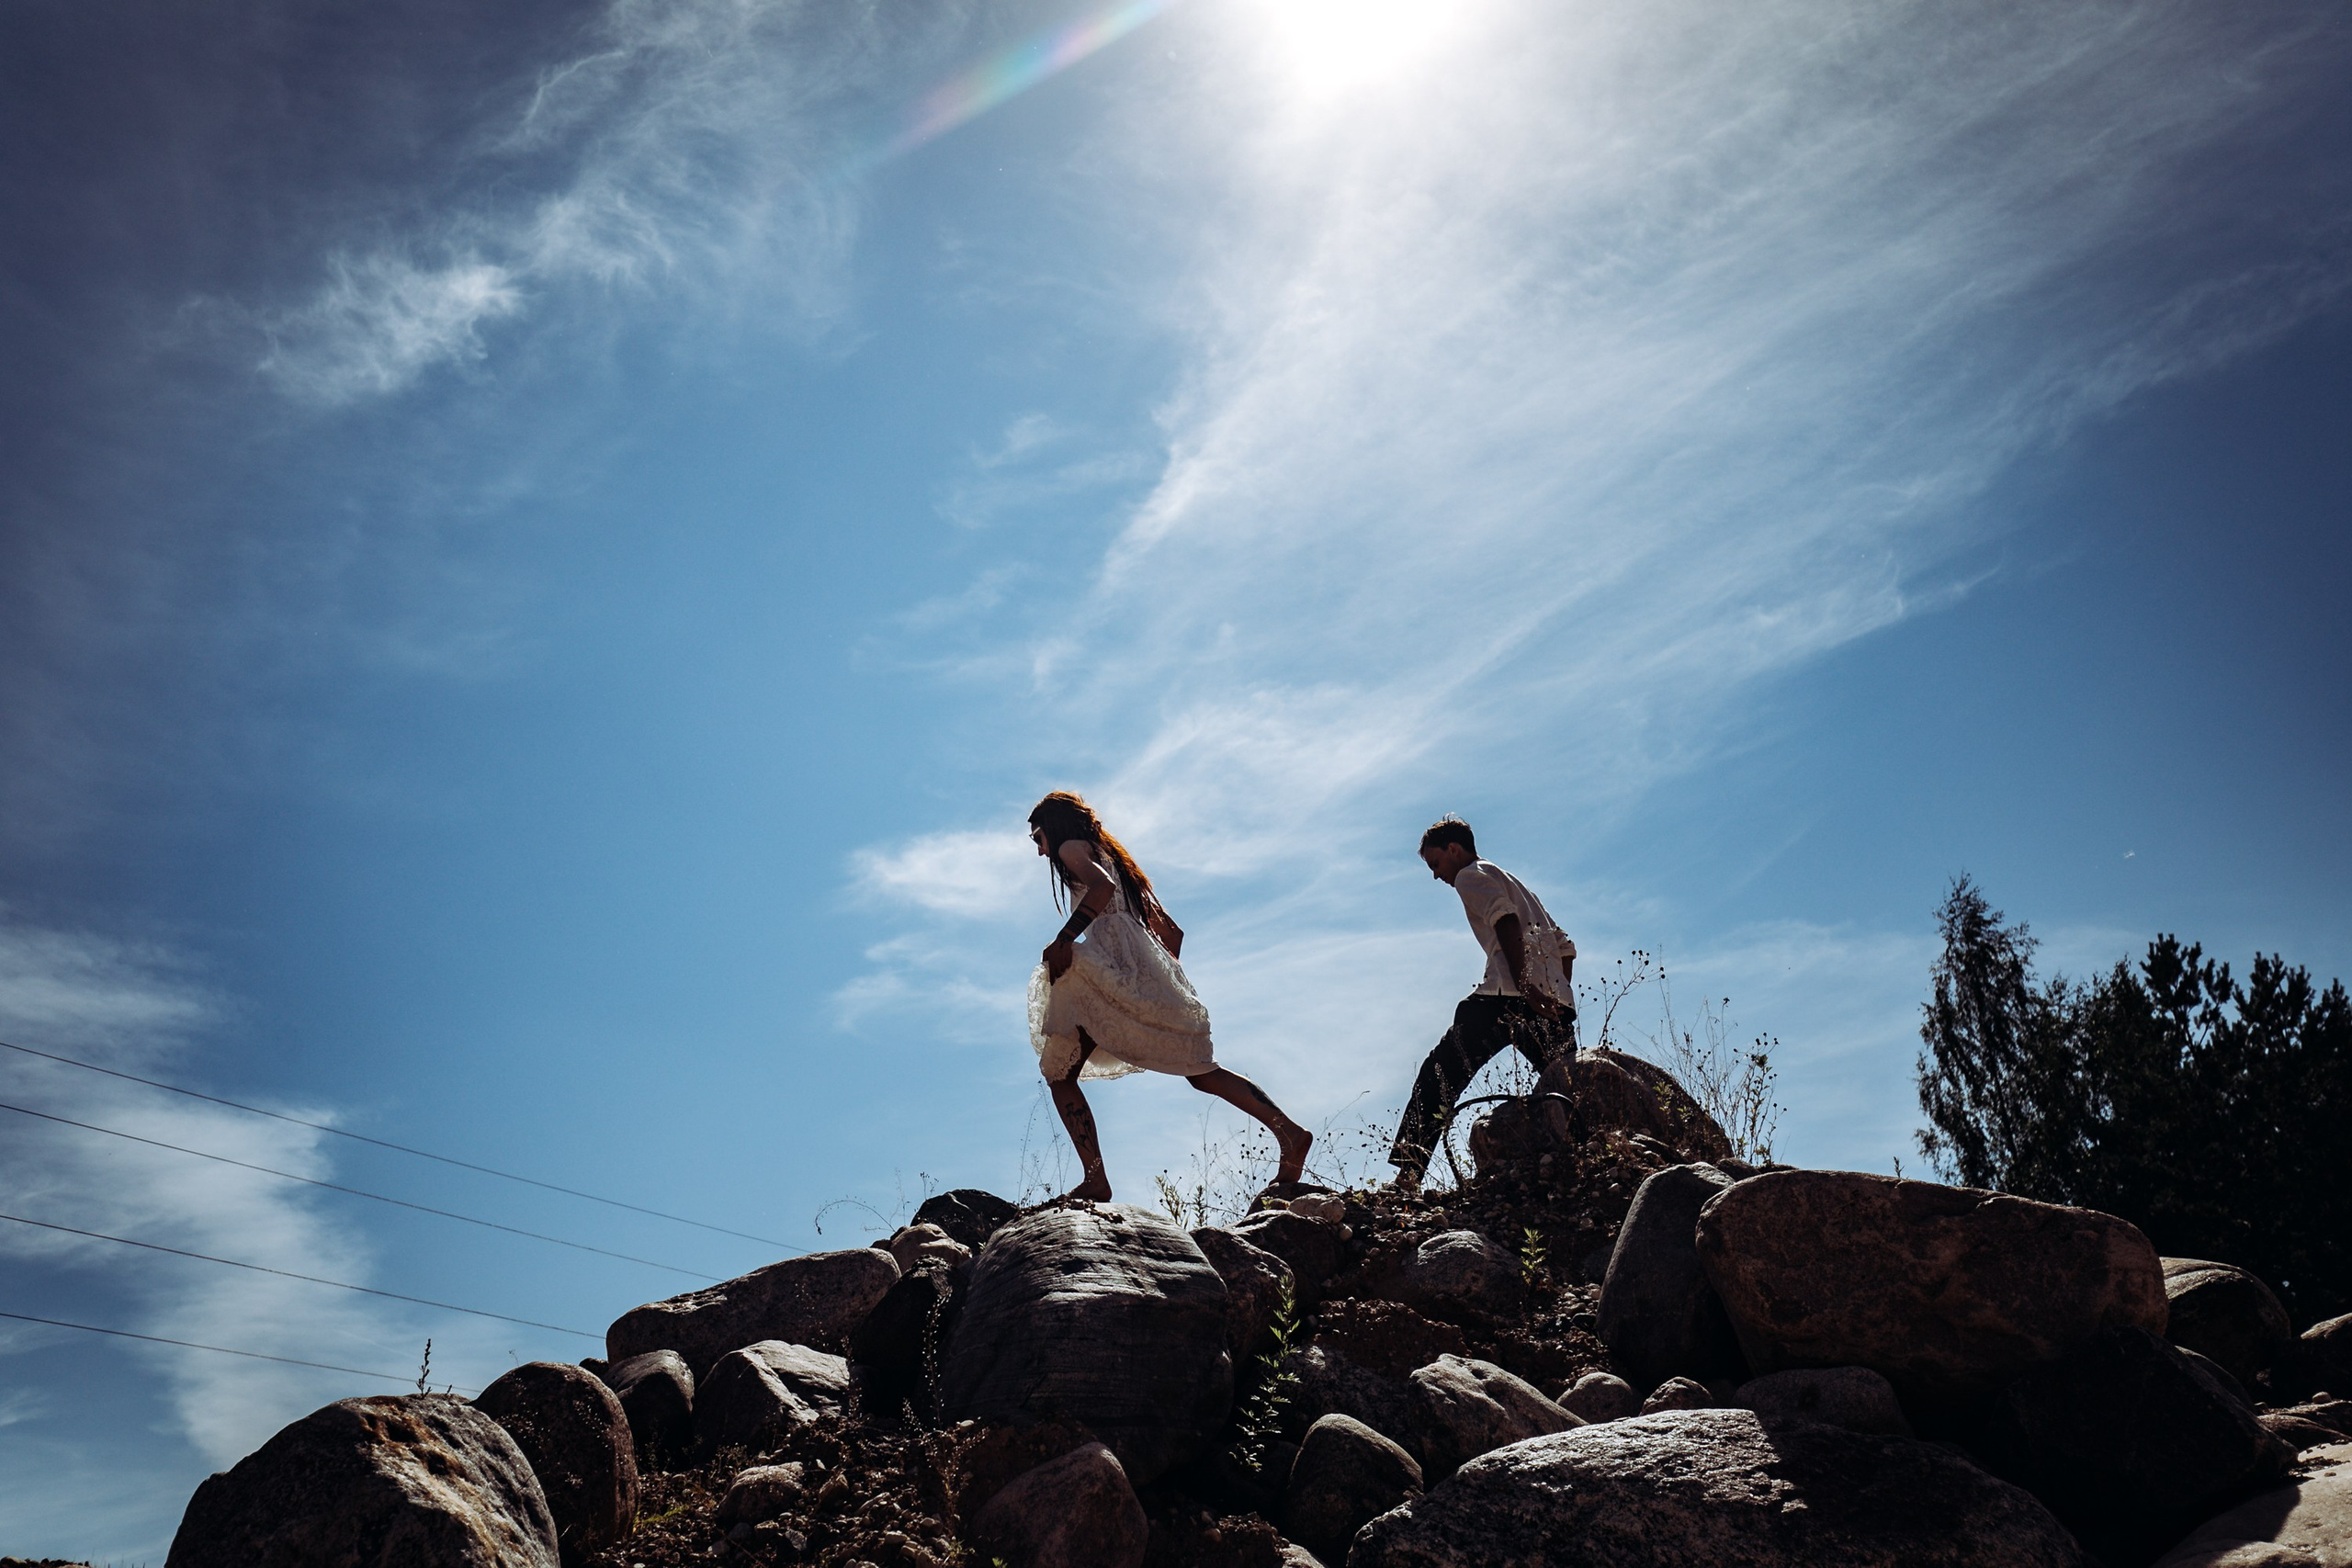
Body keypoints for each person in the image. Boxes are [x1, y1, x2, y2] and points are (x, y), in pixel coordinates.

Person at [1026, 791, 1313, 1201]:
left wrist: (1065, 939)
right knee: (1199, 1071)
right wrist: (1153, 981)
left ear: (1053, 827)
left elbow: (1100, 888)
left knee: (1059, 1074)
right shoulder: (1115, 859)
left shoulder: (1073, 848)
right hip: (1133, 966)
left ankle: (1095, 1180)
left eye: (1038, 837)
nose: (1039, 851)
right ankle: (1290, 1133)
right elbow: (1171, 934)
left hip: (1102, 967)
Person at [1388, 815, 1577, 1190]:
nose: (1436, 875)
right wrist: (1551, 993)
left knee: (1440, 1074)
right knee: (1569, 1089)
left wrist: (1526, 988)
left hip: (1504, 999)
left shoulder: (1470, 875)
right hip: (1553, 1004)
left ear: (1453, 850)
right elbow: (1566, 948)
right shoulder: (1517, 884)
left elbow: (1503, 920)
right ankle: (1591, 1155)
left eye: (1436, 863)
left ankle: (1409, 1174)